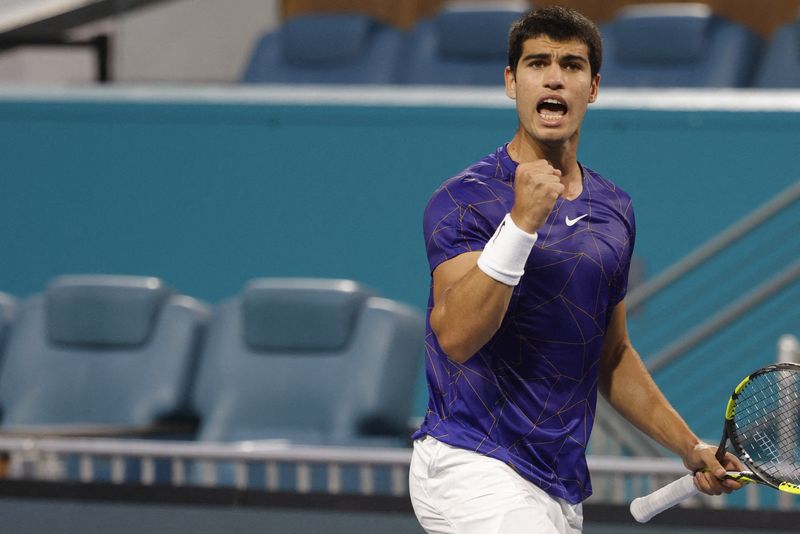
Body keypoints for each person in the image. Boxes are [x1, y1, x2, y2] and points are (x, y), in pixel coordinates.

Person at [409, 6, 743, 534]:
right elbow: (455, 336)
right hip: (472, 462)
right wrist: (521, 224)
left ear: (592, 88)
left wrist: (690, 445)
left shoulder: (615, 209)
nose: (554, 76)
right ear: (510, 81)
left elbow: (611, 354)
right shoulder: (463, 200)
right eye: (537, 62)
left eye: (572, 64)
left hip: (557, 485)